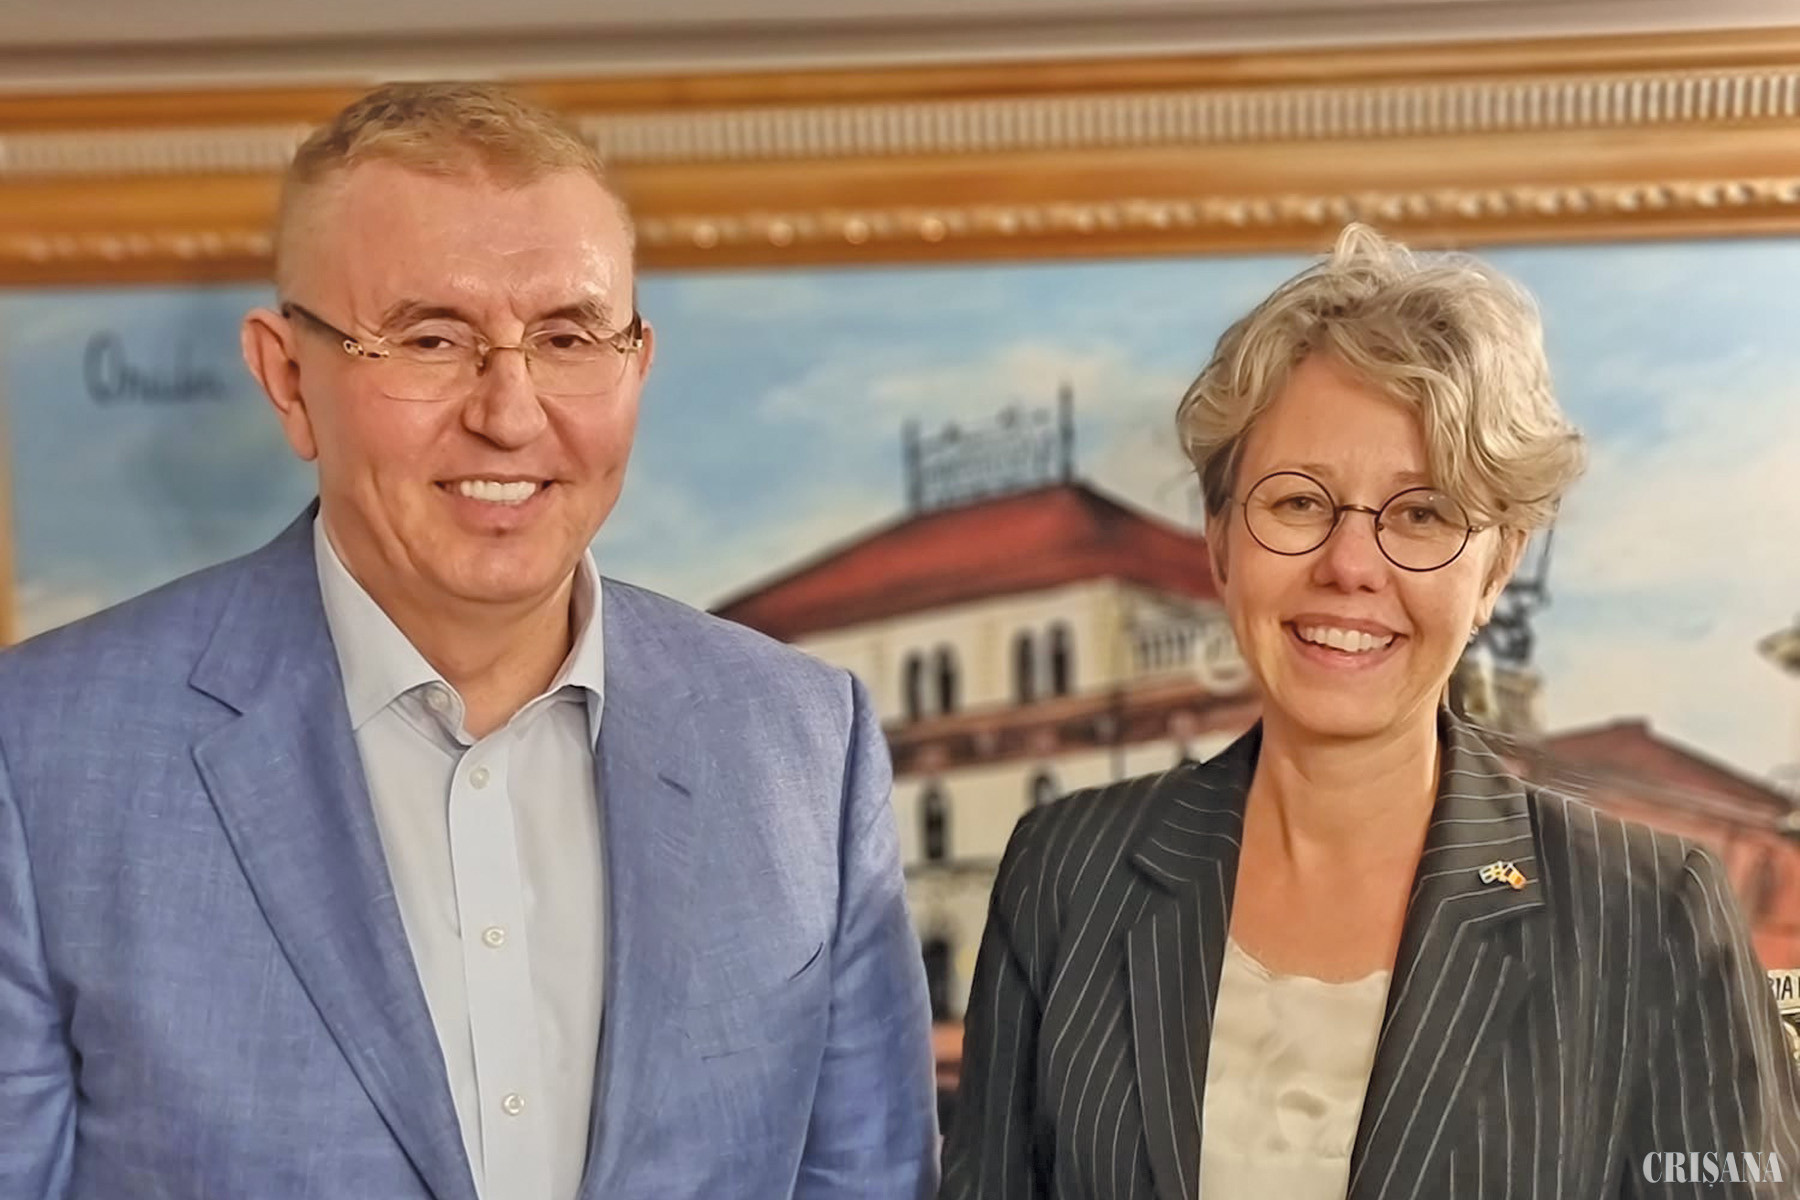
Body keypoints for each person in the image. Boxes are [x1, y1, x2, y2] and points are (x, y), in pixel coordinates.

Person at [0, 83, 936, 1200]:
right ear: (288, 379)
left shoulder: (804, 744)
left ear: (637, 363)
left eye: (568, 337)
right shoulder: (39, 758)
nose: (510, 412)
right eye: (431, 338)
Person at [941, 225, 1800, 1198]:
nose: (1350, 566)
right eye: (1298, 503)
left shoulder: (1654, 918)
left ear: (1498, 567)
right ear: (1220, 540)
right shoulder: (1065, 875)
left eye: (1423, 513)